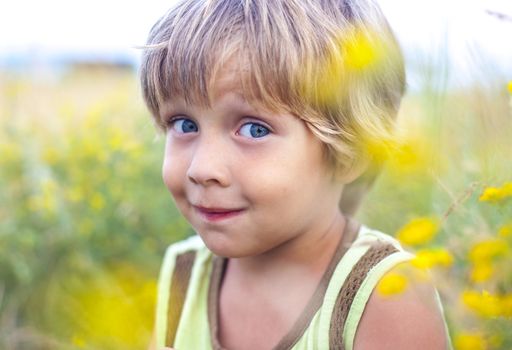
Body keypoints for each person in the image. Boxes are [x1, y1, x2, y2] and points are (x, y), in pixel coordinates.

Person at [140, 0, 453, 349]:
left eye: (254, 130)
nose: (202, 169)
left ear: (351, 153)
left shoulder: (386, 294)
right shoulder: (183, 273)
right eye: (184, 124)